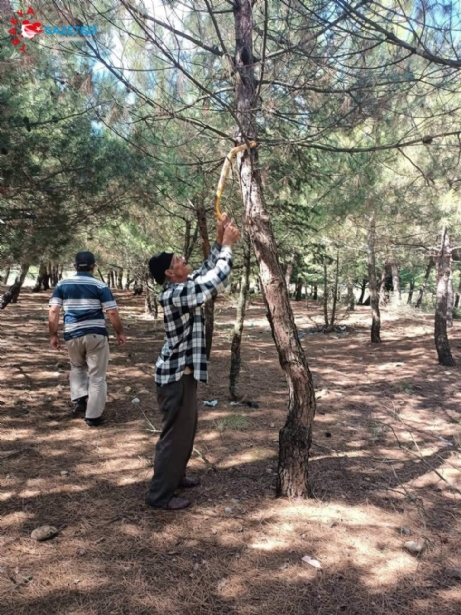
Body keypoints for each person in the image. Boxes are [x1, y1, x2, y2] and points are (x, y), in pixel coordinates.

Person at [146, 213, 240, 510]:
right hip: (175, 378)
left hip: (181, 375)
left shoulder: (183, 284)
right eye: (178, 261)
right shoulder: (176, 294)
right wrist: (227, 247)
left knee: (186, 432)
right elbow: (212, 282)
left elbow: (205, 270)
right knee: (175, 436)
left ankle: (177, 476)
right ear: (170, 274)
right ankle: (159, 496)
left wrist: (217, 238)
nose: (185, 260)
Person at [48, 251, 126, 427]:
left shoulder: (62, 284)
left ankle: (80, 400)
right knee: (97, 376)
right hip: (96, 334)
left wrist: (53, 334)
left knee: (77, 366)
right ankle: (93, 416)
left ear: (75, 266)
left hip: (72, 334)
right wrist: (119, 332)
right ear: (93, 267)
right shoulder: (100, 286)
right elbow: (111, 311)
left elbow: (54, 310)